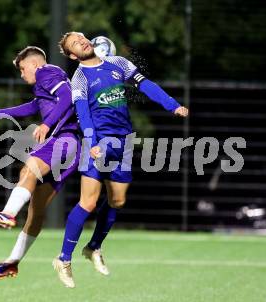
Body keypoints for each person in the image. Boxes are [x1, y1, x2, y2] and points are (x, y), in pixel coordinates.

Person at [52, 32, 189, 288]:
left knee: (117, 200)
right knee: (88, 202)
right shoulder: (80, 77)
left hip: (123, 143)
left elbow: (145, 84)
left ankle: (93, 247)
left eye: (81, 37)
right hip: (99, 144)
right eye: (74, 44)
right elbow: (82, 112)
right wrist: (91, 143)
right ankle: (63, 259)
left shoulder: (118, 64)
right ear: (72, 55)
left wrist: (172, 105)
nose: (81, 41)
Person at [0, 46, 80, 279]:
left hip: (64, 139)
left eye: (23, 69)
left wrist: (46, 125)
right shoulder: (44, 86)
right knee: (36, 210)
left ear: (34, 64)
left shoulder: (46, 72)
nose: (22, 75)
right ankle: (12, 262)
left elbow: (67, 96)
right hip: (72, 149)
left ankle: (8, 213)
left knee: (28, 169)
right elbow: (32, 107)